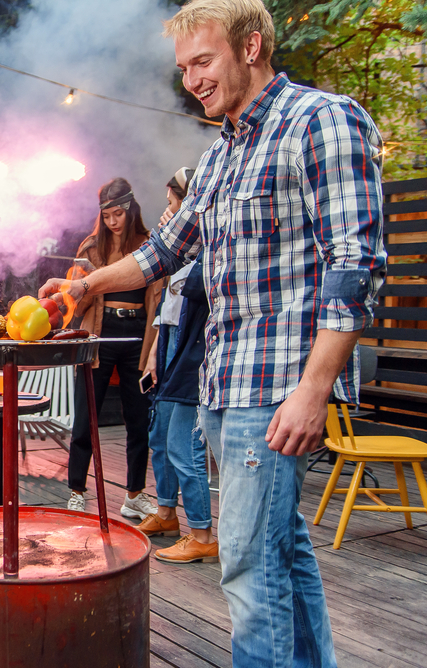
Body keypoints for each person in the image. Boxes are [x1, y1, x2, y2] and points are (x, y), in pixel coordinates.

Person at [41, 1, 386, 664]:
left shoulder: (319, 120)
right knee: (283, 551)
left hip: (281, 386)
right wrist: (83, 285)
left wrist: (313, 391)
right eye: (184, 68)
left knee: (252, 570)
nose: (191, 79)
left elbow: (356, 264)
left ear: (251, 47)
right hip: (225, 387)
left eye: (203, 61)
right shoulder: (221, 155)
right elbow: (162, 251)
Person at [65, 178, 162, 521]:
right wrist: (88, 279)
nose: (113, 221)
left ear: (130, 210)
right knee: (85, 416)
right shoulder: (91, 246)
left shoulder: (149, 244)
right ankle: (76, 490)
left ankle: (134, 494)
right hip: (99, 333)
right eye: (107, 216)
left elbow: (157, 299)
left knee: (138, 421)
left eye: (118, 214)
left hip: (137, 332)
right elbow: (74, 300)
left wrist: (153, 348)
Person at [137, 166, 218, 564]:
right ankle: (167, 512)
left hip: (194, 350)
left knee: (183, 446)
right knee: (160, 437)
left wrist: (181, 242)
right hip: (170, 342)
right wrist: (154, 352)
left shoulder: (209, 248)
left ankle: (202, 532)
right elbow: (165, 306)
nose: (166, 212)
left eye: (172, 204)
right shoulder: (178, 251)